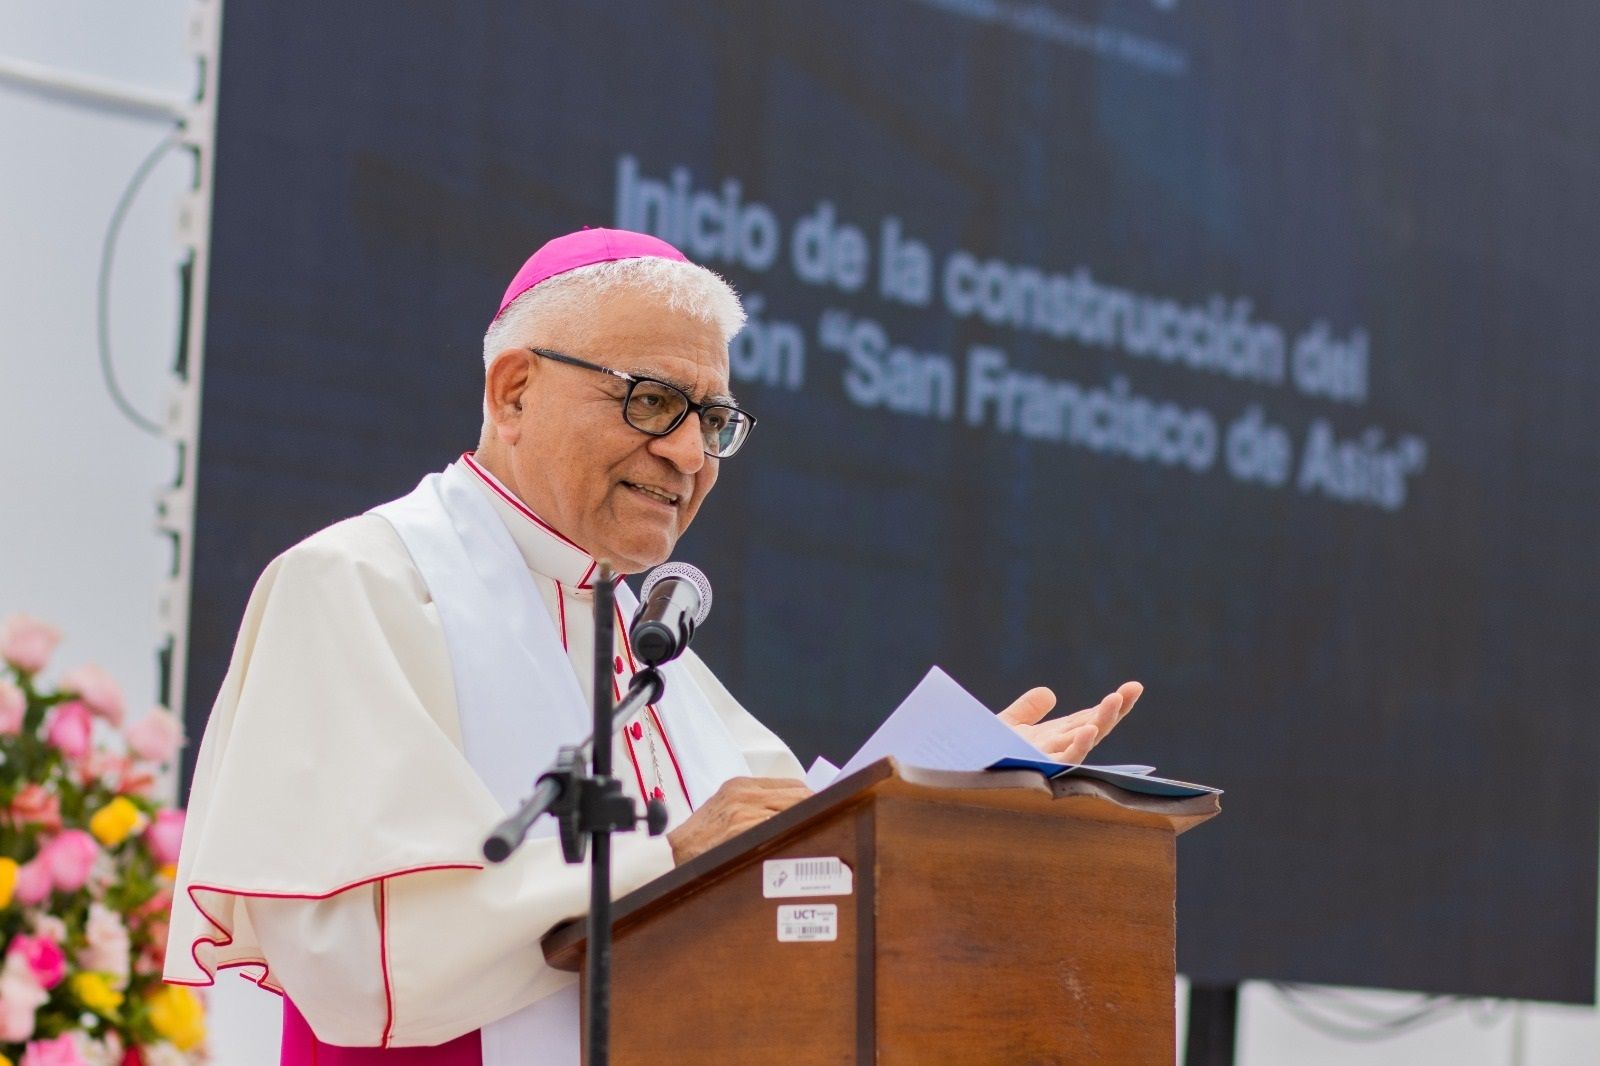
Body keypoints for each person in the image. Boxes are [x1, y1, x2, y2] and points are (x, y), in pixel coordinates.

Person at [164, 228, 1142, 1065]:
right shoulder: (367, 582)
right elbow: (355, 958)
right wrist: (663, 858)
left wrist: (946, 784)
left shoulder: (637, 635)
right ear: (513, 392)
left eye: (711, 419)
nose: (687, 452)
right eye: (650, 402)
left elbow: (788, 839)